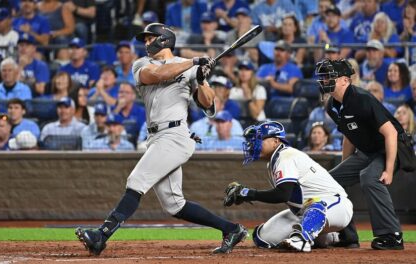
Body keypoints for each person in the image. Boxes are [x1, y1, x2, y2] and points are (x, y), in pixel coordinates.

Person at [75, 22, 248, 256]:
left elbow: (209, 105)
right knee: (174, 205)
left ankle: (101, 235)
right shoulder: (142, 64)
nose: (146, 43)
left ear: (164, 39)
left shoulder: (189, 70)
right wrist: (194, 63)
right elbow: (157, 74)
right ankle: (232, 229)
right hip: (155, 136)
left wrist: (202, 78)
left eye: (150, 38)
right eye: (145, 39)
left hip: (176, 135)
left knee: (136, 181)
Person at [316, 58, 408, 250]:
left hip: (392, 147)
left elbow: (390, 133)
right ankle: (348, 236)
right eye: (323, 77)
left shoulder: (361, 98)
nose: (324, 81)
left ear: (344, 80)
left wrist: (389, 169)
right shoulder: (332, 105)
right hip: (367, 151)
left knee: (369, 177)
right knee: (329, 181)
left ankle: (392, 235)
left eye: (329, 76)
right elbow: (349, 136)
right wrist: (344, 168)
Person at [223, 121, 353, 252]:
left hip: (336, 205)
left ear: (275, 141)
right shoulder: (273, 162)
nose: (254, 143)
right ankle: (330, 237)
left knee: (316, 206)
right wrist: (246, 194)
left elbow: (282, 194)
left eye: (259, 139)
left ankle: (303, 240)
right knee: (262, 238)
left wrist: (247, 193)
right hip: (304, 212)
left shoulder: (286, 156)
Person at [17, 32, 50, 97]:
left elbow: (41, 89)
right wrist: (21, 66)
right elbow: (11, 86)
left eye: (27, 45)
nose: (23, 48)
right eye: (21, 45)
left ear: (34, 48)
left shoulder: (41, 66)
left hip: (35, 99)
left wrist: (23, 82)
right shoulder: (11, 64)